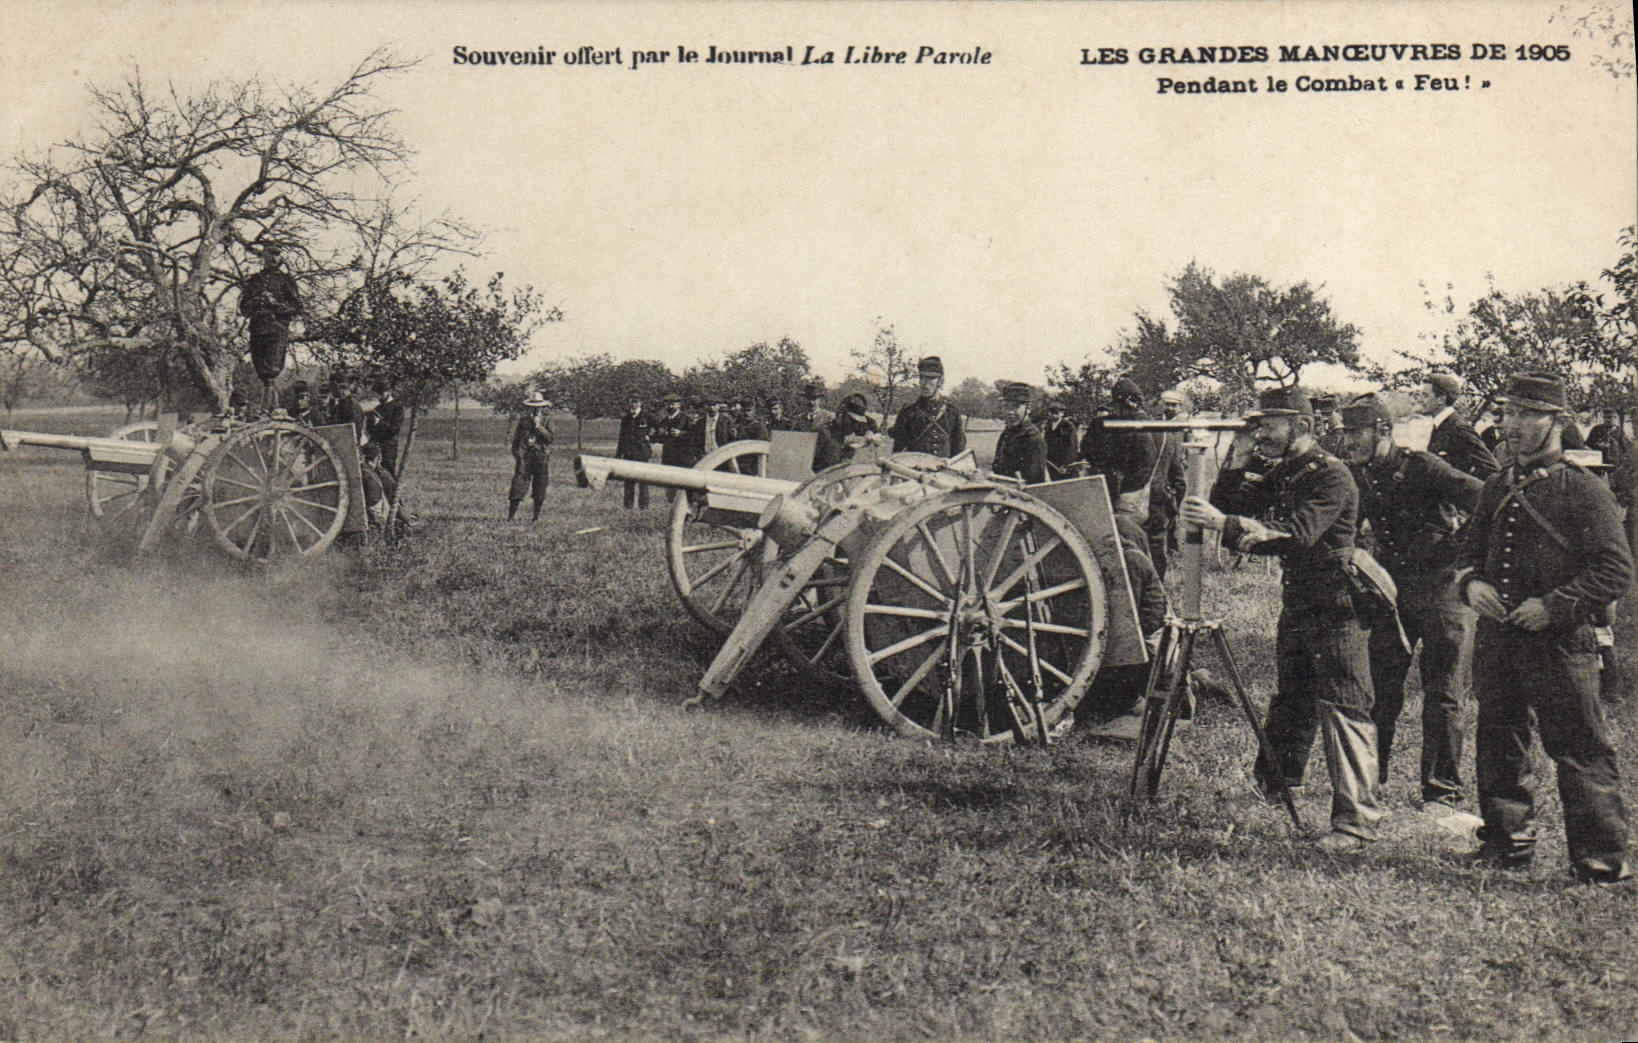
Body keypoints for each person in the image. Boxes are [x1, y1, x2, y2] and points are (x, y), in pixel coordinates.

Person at [1182, 384, 1384, 854]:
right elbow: (1234, 506)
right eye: (1259, 425)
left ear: (1304, 427)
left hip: (1336, 606)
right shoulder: (1288, 471)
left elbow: (1296, 537)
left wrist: (1224, 527)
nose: (1262, 433)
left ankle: (1356, 824)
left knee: (1345, 706)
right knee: (1292, 698)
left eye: (1270, 425)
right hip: (1301, 602)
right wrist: (1235, 462)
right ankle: (1275, 786)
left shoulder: (1331, 476)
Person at [1455, 371, 1633, 883]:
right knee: (1499, 739)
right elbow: (1468, 553)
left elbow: (1615, 570)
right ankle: (1507, 844)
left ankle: (1600, 861)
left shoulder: (1584, 490)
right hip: (1500, 637)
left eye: (1526, 415)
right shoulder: (1497, 484)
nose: (1511, 425)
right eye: (1507, 413)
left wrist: (1554, 606)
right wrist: (1473, 586)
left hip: (1559, 642)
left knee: (1579, 748)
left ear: (1556, 422)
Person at [1335, 393, 1484, 826]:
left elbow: (1484, 500)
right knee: (1382, 686)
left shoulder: (1424, 467)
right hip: (1392, 593)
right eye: (1345, 432)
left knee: (1443, 692)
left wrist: (1458, 552)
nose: (1348, 441)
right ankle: (1371, 780)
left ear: (1383, 431)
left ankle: (1441, 791)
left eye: (1356, 432)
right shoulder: (1360, 475)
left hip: (1442, 591)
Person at [1079, 515, 1170, 728]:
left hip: (1144, 640)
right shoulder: (1120, 558)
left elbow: (1134, 619)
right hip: (1128, 638)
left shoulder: (1130, 561)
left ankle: (1198, 682)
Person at [1079, 377, 1157, 521]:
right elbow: (1086, 447)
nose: (1116, 410)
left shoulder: (1140, 427)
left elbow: (1146, 464)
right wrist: (1103, 468)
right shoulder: (1105, 423)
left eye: (1119, 406)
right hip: (1109, 487)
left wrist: (1126, 489)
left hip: (1128, 494)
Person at [238, 245, 302, 415]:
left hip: (276, 329)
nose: (274, 258)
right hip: (258, 329)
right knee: (260, 370)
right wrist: (257, 300)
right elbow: (243, 308)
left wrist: (275, 304)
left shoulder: (286, 280)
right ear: (264, 257)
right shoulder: (255, 280)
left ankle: (270, 409)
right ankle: (267, 409)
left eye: (277, 254)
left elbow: (297, 308)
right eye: (271, 254)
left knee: (271, 371)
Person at [1419, 372, 1497, 480]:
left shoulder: (1459, 429)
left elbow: (1492, 469)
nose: (1420, 400)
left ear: (1441, 399)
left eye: (1425, 395)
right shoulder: (1440, 425)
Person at [889, 357, 965, 457]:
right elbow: (898, 453)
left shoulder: (952, 412)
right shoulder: (908, 413)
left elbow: (958, 451)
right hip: (914, 471)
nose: (924, 383)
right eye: (922, 377)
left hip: (944, 471)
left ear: (941, 381)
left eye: (930, 378)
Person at [507, 390, 554, 522]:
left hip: (541, 457)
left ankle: (535, 518)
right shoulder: (524, 421)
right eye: (533, 407)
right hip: (525, 457)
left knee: (540, 487)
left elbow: (550, 438)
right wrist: (518, 456)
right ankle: (511, 517)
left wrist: (539, 426)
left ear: (543, 407)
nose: (536, 410)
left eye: (538, 407)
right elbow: (516, 440)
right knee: (518, 485)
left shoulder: (547, 420)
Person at [988, 382, 1047, 485]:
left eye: (1015, 407)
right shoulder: (1007, 433)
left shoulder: (1033, 438)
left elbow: (1035, 485)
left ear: (1027, 409)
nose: (1010, 412)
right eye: (1006, 406)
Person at [813, 393, 880, 472]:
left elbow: (871, 425)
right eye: (852, 420)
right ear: (841, 415)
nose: (855, 424)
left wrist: (872, 434)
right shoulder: (827, 433)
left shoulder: (864, 422)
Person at [615, 396, 654, 509]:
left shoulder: (648, 417)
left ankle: (643, 506)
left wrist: (650, 437)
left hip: (642, 452)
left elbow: (658, 428)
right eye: (631, 402)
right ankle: (628, 506)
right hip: (629, 453)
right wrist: (619, 454)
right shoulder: (626, 418)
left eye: (636, 402)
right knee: (628, 481)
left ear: (641, 403)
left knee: (643, 481)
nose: (633, 404)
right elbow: (621, 437)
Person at [365, 379, 404, 480]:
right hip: (375, 445)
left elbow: (394, 429)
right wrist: (371, 422)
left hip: (388, 446)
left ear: (389, 391)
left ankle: (392, 495)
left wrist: (379, 423)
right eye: (378, 393)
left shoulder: (397, 407)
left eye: (382, 392)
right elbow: (370, 431)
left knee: (388, 474)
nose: (379, 396)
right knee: (372, 474)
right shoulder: (377, 408)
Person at [1042, 400, 1080, 479]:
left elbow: (1072, 446)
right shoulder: (1048, 427)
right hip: (1053, 464)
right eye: (1052, 412)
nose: (1054, 415)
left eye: (1057, 412)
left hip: (1065, 465)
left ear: (1062, 413)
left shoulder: (1068, 426)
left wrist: (1066, 464)